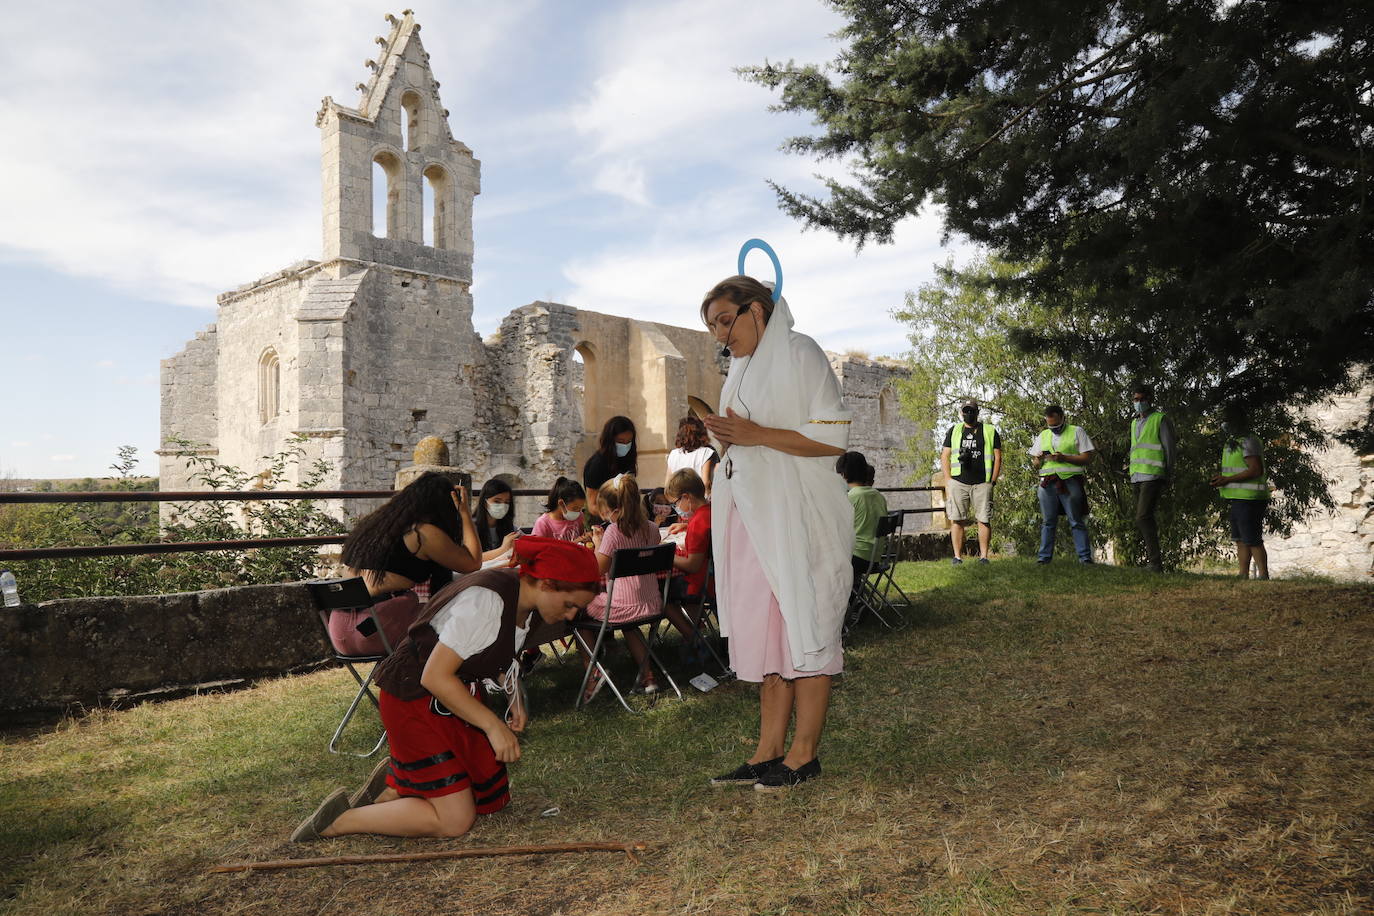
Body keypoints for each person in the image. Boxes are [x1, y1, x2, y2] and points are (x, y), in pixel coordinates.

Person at [290, 537, 601, 841]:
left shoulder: (524, 599)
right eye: (570, 605)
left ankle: (396, 789)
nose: (571, 615)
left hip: (451, 698)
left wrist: (514, 697)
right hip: (413, 699)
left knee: (490, 798)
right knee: (455, 820)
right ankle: (339, 821)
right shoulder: (487, 601)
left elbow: (499, 652)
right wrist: (493, 726)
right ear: (546, 583)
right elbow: (435, 677)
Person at [700, 274, 853, 792]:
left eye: (726, 321)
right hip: (751, 517)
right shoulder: (739, 370)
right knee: (768, 636)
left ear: (757, 310)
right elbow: (744, 442)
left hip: (799, 517)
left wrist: (753, 434)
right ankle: (767, 751)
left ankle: (804, 754)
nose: (722, 336)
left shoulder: (800, 352)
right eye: (714, 327)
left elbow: (833, 439)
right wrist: (726, 441)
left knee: (805, 628)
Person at [580, 474, 699, 699]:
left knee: (579, 609)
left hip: (623, 607)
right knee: (629, 624)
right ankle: (648, 677)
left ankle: (592, 668)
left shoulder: (614, 533)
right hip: (652, 604)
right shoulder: (652, 528)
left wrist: (598, 543)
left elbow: (598, 569)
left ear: (613, 510)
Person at [337, 471, 482, 653]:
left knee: (432, 610)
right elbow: (473, 563)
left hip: (339, 630)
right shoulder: (422, 532)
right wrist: (465, 513)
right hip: (371, 630)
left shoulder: (378, 525)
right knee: (458, 616)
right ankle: (450, 676)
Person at [1029, 405, 1096, 564]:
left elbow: (1087, 458)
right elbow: (1035, 463)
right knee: (1048, 521)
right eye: (1050, 425)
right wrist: (1038, 459)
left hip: (1070, 480)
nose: (1054, 429)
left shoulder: (1076, 431)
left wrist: (1064, 458)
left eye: (1056, 426)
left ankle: (1085, 558)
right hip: (1047, 482)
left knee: (1076, 520)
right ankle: (1044, 559)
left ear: (1063, 418)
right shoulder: (1043, 435)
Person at [1209, 405, 1270, 579]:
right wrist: (1222, 478)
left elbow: (1255, 470)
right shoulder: (1232, 442)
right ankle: (1242, 574)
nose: (1224, 423)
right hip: (1236, 497)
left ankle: (1263, 576)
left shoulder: (1248, 441)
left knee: (1252, 538)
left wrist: (1227, 479)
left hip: (1250, 498)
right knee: (1240, 539)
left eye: (1227, 419)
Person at [939, 399, 1002, 564]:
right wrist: (948, 480)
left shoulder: (989, 430)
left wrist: (992, 481)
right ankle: (957, 557)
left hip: (983, 482)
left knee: (984, 519)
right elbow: (945, 455)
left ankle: (983, 557)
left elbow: (997, 456)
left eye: (971, 410)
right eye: (966, 411)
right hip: (959, 482)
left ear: (977, 412)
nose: (968, 414)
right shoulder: (954, 430)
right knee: (957, 519)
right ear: (961, 413)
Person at [1128, 383, 1176, 572]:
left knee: (1142, 517)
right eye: (1136, 400)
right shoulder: (1134, 423)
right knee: (1144, 518)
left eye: (1142, 399)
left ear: (1150, 400)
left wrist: (1168, 473)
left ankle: (1155, 563)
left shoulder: (1160, 419)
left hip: (1153, 475)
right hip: (1137, 476)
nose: (1139, 403)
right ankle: (1153, 562)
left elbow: (1169, 448)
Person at [836, 451, 888, 582]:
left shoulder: (850, 497)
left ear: (843, 474)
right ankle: (856, 594)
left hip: (857, 557)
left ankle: (847, 598)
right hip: (875, 557)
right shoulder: (879, 496)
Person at [583, 415, 638, 494]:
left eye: (629, 441)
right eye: (620, 441)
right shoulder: (596, 464)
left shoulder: (628, 459)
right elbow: (592, 503)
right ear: (610, 440)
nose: (625, 445)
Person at [665, 416, 718, 495]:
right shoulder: (706, 452)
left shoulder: (673, 454)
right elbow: (706, 482)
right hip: (699, 500)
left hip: (679, 501)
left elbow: (667, 483)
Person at [530, 476, 590, 545]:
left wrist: (586, 538)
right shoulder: (543, 524)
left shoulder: (579, 516)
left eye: (580, 508)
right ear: (561, 503)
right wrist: (573, 544)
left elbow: (581, 537)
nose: (578, 512)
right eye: (575, 508)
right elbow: (537, 550)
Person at [473, 477, 519, 562]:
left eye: (507, 502)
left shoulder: (511, 529)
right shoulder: (470, 528)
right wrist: (503, 549)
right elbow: (470, 559)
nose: (502, 506)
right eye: (497, 501)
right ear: (485, 502)